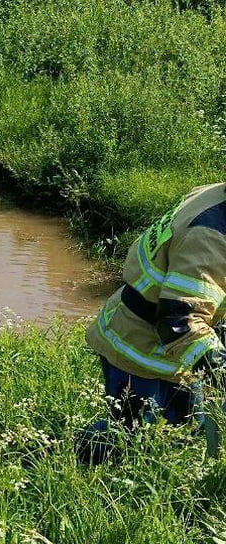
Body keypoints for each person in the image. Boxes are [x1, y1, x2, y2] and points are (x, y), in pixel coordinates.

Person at [81, 183, 226, 463]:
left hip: (159, 342)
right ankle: (68, 461)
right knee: (128, 439)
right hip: (138, 349)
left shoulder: (214, 193)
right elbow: (180, 322)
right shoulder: (210, 237)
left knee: (184, 431)